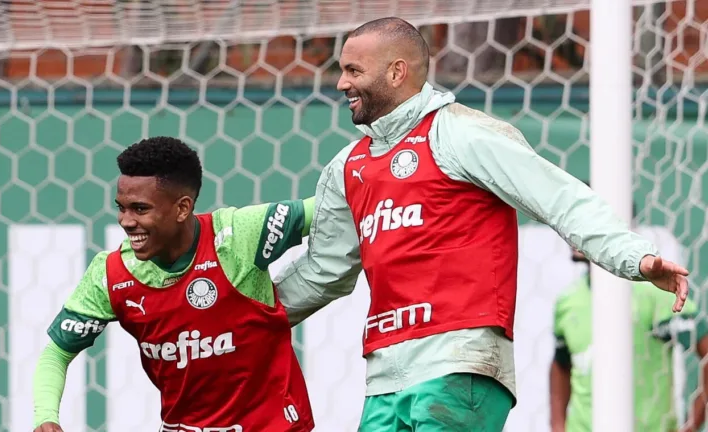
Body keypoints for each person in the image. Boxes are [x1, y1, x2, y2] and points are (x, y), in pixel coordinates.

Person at [272, 16, 691, 431]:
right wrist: (236, 317)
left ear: (397, 72)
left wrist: (634, 257)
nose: (342, 83)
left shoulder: (461, 134)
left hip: (459, 364)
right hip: (384, 378)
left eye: (353, 70)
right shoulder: (348, 167)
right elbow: (322, 270)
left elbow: (559, 197)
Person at [32, 136, 315, 432]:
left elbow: (328, 207)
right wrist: (46, 417)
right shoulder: (111, 274)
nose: (125, 221)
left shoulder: (237, 237)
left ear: (182, 208)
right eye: (121, 208)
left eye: (140, 209)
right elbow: (57, 353)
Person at [551, 244, 708, 432]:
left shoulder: (655, 295)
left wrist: (692, 425)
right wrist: (558, 425)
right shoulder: (568, 301)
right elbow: (561, 365)